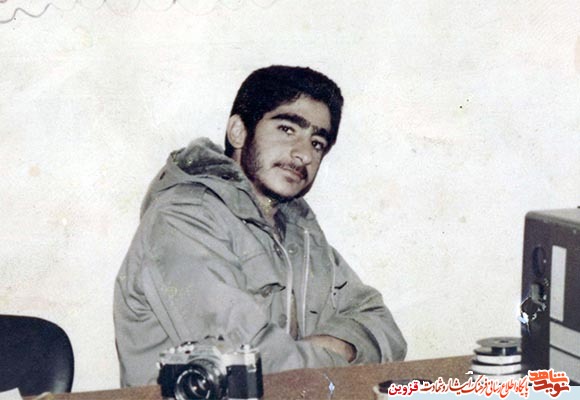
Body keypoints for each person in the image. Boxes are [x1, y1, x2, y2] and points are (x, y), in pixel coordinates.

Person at [114, 65, 407, 387]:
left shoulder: (300, 236)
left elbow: (385, 329)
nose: (303, 154)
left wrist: (334, 345)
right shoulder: (183, 218)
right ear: (238, 132)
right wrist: (341, 356)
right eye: (287, 129)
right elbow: (251, 367)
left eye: (317, 143)